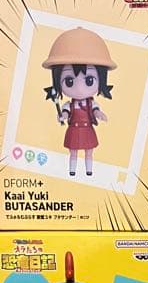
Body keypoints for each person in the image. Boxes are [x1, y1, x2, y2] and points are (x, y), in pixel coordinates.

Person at [43, 28, 116, 177]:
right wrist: (62, 116)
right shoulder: (69, 105)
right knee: (73, 152)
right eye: (69, 81)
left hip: (87, 129)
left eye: (89, 80)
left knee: (89, 152)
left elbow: (95, 110)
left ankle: (89, 170)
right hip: (74, 129)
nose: (80, 89)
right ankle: (72, 170)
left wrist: (99, 114)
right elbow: (65, 112)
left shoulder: (91, 103)